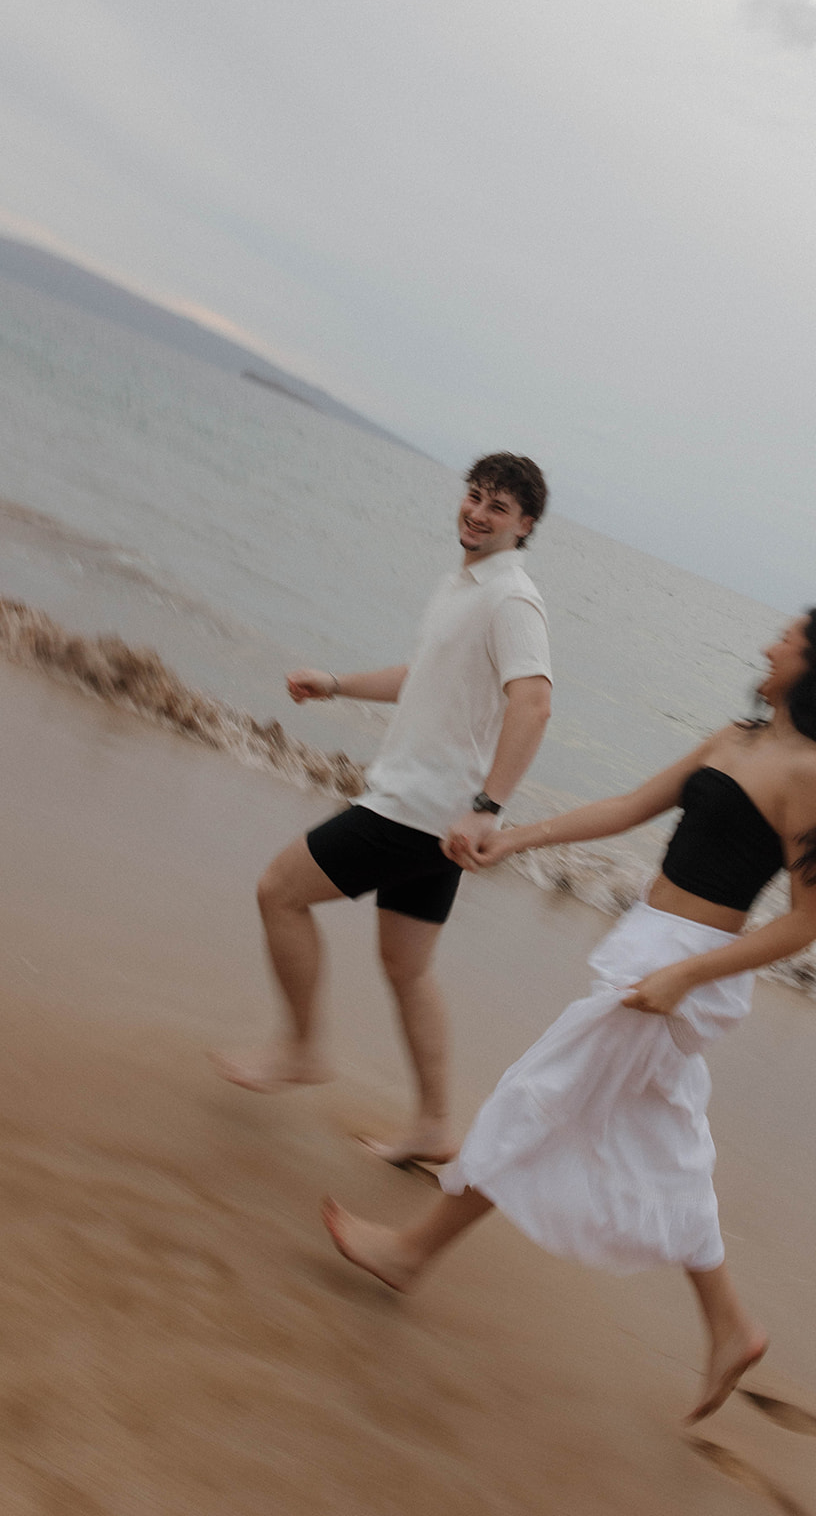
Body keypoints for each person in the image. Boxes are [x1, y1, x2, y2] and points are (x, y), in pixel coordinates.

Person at [321, 607, 816, 1422]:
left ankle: (410, 1253)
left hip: (678, 966)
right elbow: (629, 806)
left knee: (538, 1096)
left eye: (786, 638)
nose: (767, 645)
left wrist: (685, 976)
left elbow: (804, 925)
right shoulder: (738, 736)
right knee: (666, 1139)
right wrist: (512, 840)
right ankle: (730, 1328)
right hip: (647, 943)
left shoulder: (813, 774)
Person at [213, 454, 553, 1166]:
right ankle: (434, 1126)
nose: (477, 513)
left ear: (524, 525)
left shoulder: (510, 599)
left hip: (418, 809)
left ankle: (301, 1048)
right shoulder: (463, 586)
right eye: (474, 496)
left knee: (279, 892)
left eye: (497, 507)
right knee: (407, 968)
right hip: (436, 816)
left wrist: (488, 806)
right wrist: (335, 683)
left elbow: (534, 703)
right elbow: (421, 676)